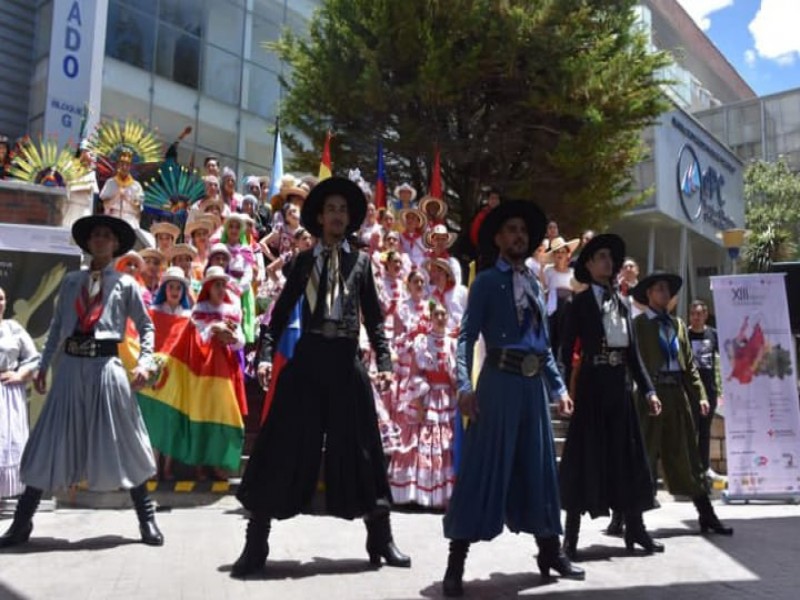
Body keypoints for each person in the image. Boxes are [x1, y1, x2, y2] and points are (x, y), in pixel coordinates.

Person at [232, 177, 410, 577]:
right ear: (318, 216)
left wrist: (383, 362)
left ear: (350, 220)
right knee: (281, 444)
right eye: (331, 209)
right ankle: (256, 542)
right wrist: (264, 355)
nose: (337, 215)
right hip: (309, 358)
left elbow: (376, 322)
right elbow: (276, 319)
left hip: (347, 361)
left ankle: (380, 536)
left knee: (365, 446)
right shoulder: (303, 262)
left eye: (343, 210)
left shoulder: (362, 264)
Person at [442, 200, 583, 597]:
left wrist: (559, 389)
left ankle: (550, 552)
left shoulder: (537, 284)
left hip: (533, 387)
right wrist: (464, 387)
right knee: (482, 468)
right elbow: (467, 336)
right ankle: (456, 563)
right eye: (511, 230)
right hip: (498, 384)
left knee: (539, 469)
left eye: (523, 230)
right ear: (499, 239)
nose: (518, 236)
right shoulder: (486, 282)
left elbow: (541, 344)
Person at [0, 215, 163, 548]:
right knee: (48, 441)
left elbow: (146, 327)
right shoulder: (72, 281)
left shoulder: (126, 284)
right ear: (88, 244)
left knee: (126, 439)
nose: (100, 239)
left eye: (106, 235)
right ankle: (21, 524)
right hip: (71, 369)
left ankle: (146, 519)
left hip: (107, 368)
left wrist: (145, 362)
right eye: (95, 235)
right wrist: (43, 368)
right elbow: (59, 327)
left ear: (116, 245)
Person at [558, 234, 663, 559]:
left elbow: (633, 355)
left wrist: (648, 389)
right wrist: (561, 389)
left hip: (620, 389)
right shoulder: (579, 303)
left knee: (628, 459)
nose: (607, 262)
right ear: (588, 265)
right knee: (582, 458)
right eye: (600, 257)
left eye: (610, 258)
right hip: (591, 388)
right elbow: (563, 350)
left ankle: (636, 529)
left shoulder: (622, 304)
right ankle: (570, 539)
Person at [630, 273, 733, 536]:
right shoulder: (639, 325)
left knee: (688, 455)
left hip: (677, 396)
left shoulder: (678, 325)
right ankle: (626, 518)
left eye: (669, 290)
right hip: (649, 395)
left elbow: (690, 367)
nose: (666, 294)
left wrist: (699, 395)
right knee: (643, 455)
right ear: (649, 294)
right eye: (660, 289)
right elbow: (633, 363)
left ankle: (706, 514)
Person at [389, 301, 457, 509]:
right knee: (423, 443)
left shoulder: (452, 343)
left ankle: (444, 496)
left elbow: (457, 375)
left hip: (447, 398)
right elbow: (415, 373)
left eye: (443, 314)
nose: (440, 318)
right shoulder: (421, 342)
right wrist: (418, 402)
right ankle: (419, 496)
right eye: (436, 314)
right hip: (427, 397)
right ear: (431, 317)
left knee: (444, 445)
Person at [0, 288, 39, 500]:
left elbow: (33, 357)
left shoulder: (13, 328)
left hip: (7, 393)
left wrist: (20, 375)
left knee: (5, 442)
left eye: (1, 298)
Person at [687, 299, 723, 476]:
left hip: (709, 390)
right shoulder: (684, 335)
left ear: (705, 315)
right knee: (690, 430)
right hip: (691, 391)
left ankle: (705, 467)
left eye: (699, 314)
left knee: (705, 430)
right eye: (693, 314)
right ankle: (690, 468)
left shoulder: (713, 334)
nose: (696, 318)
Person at [100, 148, 144, 229]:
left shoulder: (136, 186)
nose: (124, 167)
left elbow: (138, 211)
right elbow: (105, 205)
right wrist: (117, 195)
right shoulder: (110, 182)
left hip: (130, 220)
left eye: (127, 164)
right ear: (118, 165)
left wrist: (127, 198)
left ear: (130, 166)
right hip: (113, 217)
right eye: (122, 164)